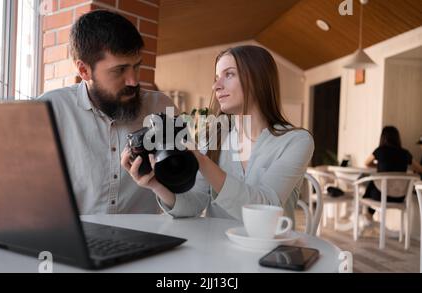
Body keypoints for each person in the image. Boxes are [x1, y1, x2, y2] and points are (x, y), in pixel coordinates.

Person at [121, 45, 314, 222]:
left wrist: (199, 158)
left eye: (229, 74)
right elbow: (194, 204)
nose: (216, 86)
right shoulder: (213, 137)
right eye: (216, 78)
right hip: (217, 252)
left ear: (258, 79)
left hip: (270, 254)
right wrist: (156, 185)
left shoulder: (296, 141)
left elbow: (265, 208)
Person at [38, 10, 176, 214]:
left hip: (147, 240)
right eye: (119, 70)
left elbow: (191, 200)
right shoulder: (49, 110)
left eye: (136, 67)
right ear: (84, 71)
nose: (133, 81)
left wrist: (160, 186)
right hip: (73, 243)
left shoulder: (162, 108)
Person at [363, 126, 422, 220]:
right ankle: (368, 217)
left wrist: (379, 166)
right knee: (373, 182)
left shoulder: (380, 151)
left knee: (370, 182)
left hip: (380, 196)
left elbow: (366, 163)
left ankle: (368, 215)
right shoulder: (405, 153)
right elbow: (420, 169)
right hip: (400, 197)